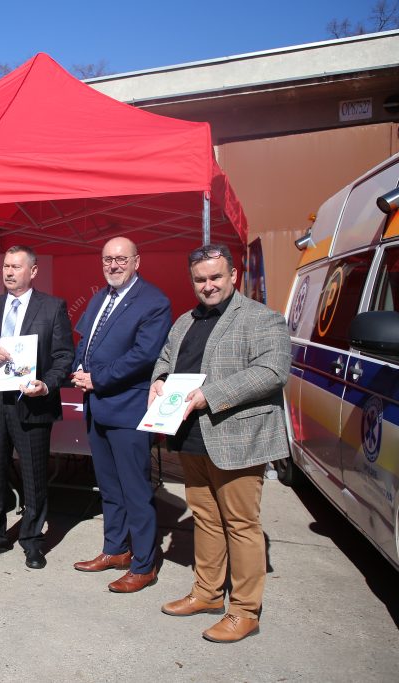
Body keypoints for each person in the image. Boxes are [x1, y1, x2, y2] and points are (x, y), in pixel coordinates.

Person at [150, 243, 291, 643]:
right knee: (206, 518)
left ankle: (245, 611)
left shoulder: (263, 318)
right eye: (200, 279)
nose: (208, 285)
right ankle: (208, 593)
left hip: (237, 437)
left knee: (241, 524)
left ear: (233, 276)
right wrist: (159, 380)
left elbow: (272, 371)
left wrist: (209, 395)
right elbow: (166, 358)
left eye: (215, 277)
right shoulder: (185, 321)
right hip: (191, 435)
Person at [0, 246, 75, 569]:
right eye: (6, 267)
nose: (9, 272)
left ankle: (32, 540)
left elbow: (64, 356)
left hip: (32, 403)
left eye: (16, 267)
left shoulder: (52, 308)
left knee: (34, 476)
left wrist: (47, 384)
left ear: (33, 271)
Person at [71, 237, 171, 593]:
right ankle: (115, 550)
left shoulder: (154, 302)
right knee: (109, 487)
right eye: (107, 259)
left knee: (135, 491)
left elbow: (144, 356)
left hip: (128, 409)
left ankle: (143, 564)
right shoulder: (100, 298)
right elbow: (85, 342)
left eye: (121, 259)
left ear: (136, 262)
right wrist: (78, 368)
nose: (113, 265)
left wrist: (96, 378)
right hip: (97, 407)